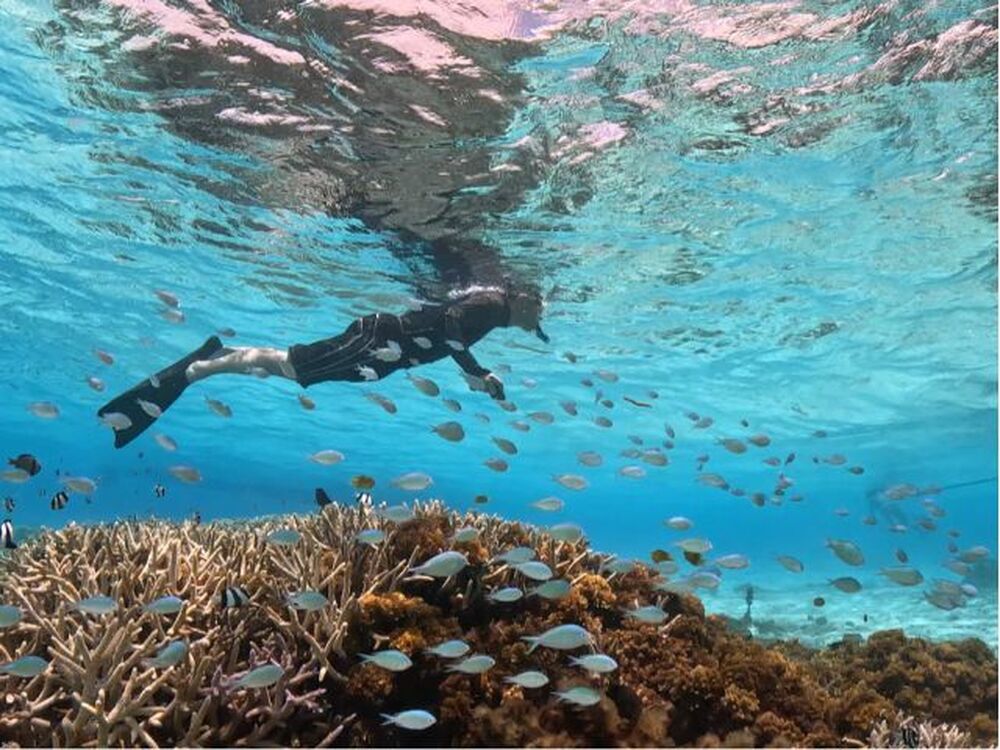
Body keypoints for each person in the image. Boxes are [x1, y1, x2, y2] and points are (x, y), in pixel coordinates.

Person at [98, 285, 548, 448]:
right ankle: (204, 367)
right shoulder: (493, 304)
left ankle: (220, 357)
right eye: (538, 312)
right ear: (524, 300)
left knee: (295, 367)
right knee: (296, 368)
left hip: (384, 354)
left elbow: (448, 332)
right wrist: (475, 370)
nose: (537, 322)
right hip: (378, 342)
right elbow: (450, 325)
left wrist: (476, 373)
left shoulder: (493, 314)